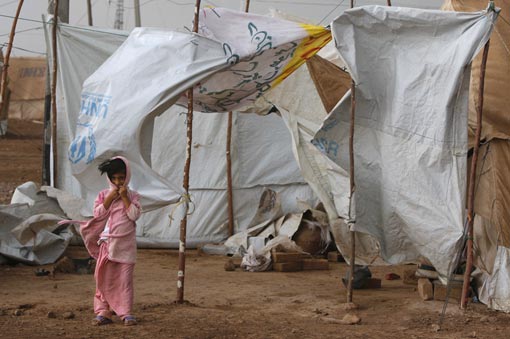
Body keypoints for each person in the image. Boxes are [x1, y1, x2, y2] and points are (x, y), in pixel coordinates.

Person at [69, 156, 141, 326]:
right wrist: (109, 198)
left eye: (121, 178)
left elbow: (134, 215)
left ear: (127, 176)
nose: (118, 182)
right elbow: (98, 215)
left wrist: (125, 198)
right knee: (103, 279)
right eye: (114, 178)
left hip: (126, 247)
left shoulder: (134, 196)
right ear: (109, 178)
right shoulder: (102, 195)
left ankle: (125, 312)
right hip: (107, 245)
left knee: (124, 280)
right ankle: (103, 312)